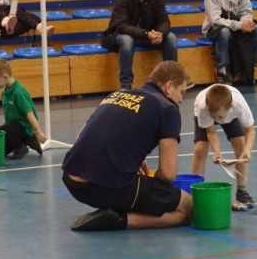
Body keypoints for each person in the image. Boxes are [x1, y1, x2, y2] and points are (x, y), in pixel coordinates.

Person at [62, 61, 194, 231]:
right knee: (187, 207)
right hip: (105, 186)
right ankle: (119, 220)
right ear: (168, 86)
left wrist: (129, 159)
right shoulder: (167, 108)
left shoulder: (117, 95)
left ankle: (121, 205)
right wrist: (158, 189)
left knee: (138, 188)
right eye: (181, 92)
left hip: (71, 179)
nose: (181, 100)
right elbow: (168, 174)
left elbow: (82, 137)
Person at [101, 0, 178, 90]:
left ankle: (172, 81)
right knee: (127, 40)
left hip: (146, 35)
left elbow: (164, 20)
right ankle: (126, 86)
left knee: (171, 38)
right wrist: (146, 34)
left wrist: (160, 33)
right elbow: (122, 26)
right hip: (119, 35)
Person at [191, 83, 257, 210]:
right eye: (213, 116)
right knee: (200, 149)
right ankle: (195, 192)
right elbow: (211, 131)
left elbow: (250, 130)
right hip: (206, 112)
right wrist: (217, 152)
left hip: (230, 116)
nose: (216, 119)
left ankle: (242, 192)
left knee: (240, 145)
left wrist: (247, 150)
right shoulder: (203, 107)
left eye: (219, 117)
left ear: (231, 106)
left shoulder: (239, 105)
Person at [203, 0, 257, 86]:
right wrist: (239, 25)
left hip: (237, 24)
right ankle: (222, 69)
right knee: (224, 32)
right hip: (214, 29)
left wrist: (246, 22)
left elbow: (246, 10)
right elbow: (215, 20)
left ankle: (251, 64)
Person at [0, 57, 46, 159]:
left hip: (24, 126)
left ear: (5, 76)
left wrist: (38, 132)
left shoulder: (18, 92)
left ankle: (22, 145)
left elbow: (30, 114)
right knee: (1, 136)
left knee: (2, 129)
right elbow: (8, 116)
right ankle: (26, 141)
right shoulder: (5, 93)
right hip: (15, 128)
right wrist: (4, 132)